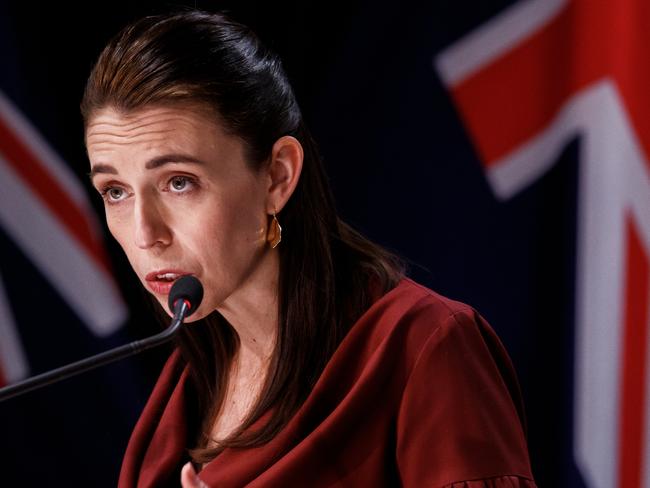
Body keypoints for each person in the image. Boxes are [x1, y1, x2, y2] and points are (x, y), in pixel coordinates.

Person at [82, 9, 537, 488]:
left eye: (179, 182)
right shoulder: (185, 389)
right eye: (115, 191)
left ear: (277, 176)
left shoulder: (424, 346)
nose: (144, 234)